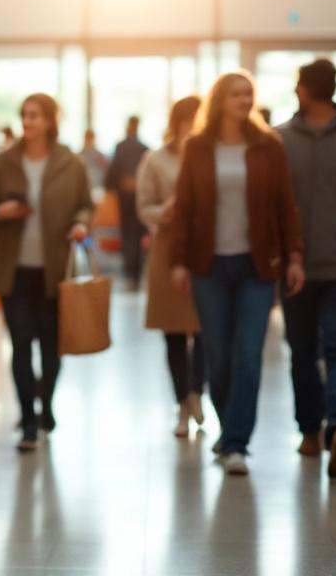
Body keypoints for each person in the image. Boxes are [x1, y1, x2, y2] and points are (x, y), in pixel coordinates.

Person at [170, 71, 305, 477]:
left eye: (249, 93)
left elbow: (286, 206)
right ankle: (230, 429)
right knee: (219, 357)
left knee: (248, 355)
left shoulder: (268, 146)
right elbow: (185, 207)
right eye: (236, 94)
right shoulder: (197, 147)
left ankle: (237, 444)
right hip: (208, 266)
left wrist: (294, 255)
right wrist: (178, 260)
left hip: (256, 266)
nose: (245, 100)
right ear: (220, 100)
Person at [0, 94, 93, 452]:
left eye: (36, 116)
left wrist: (81, 225)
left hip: (54, 271)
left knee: (52, 347)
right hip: (14, 271)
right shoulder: (3, 161)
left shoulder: (70, 164)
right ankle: (28, 420)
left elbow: (85, 205)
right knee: (21, 346)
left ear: (51, 121)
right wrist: (1, 211)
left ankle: (45, 404)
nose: (28, 122)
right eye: (25, 115)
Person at [276, 59, 336, 479]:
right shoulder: (279, 141)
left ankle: (322, 431)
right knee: (329, 350)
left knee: (310, 352)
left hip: (334, 264)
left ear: (307, 90)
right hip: (308, 264)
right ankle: (332, 426)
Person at [136, 97, 205, 438]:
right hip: (166, 251)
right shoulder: (157, 159)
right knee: (174, 333)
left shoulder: (211, 156)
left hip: (206, 251)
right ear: (176, 123)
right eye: (188, 121)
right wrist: (163, 211)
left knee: (207, 330)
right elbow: (143, 206)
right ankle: (182, 401)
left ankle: (197, 392)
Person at [106, 116, 149, 286]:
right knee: (136, 233)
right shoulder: (143, 148)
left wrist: (118, 185)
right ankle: (134, 270)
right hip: (134, 196)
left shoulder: (122, 146)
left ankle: (130, 269)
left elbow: (113, 172)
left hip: (128, 197)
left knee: (129, 233)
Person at [79, 129, 109, 195]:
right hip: (84, 189)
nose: (89, 140)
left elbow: (106, 169)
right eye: (88, 138)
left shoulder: (100, 155)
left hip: (98, 188)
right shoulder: (79, 156)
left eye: (91, 138)